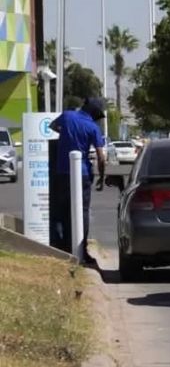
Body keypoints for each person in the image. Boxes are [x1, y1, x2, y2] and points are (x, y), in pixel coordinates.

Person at [50, 97, 106, 267]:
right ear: (95, 114)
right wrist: (102, 178)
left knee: (60, 211)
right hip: (82, 174)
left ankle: (60, 249)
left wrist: (66, 134)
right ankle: (81, 251)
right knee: (82, 212)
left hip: (61, 172)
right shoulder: (93, 128)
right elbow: (101, 157)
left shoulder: (67, 116)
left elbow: (52, 126)